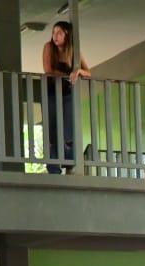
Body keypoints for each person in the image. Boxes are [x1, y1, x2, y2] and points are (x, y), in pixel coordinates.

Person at [42, 21, 90, 174]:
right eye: (53, 32)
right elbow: (48, 70)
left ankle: (69, 163)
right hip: (51, 91)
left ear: (67, 34)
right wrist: (67, 75)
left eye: (59, 33)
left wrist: (79, 72)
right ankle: (53, 167)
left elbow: (88, 72)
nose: (55, 36)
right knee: (52, 127)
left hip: (68, 93)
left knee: (69, 128)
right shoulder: (49, 47)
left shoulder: (73, 51)